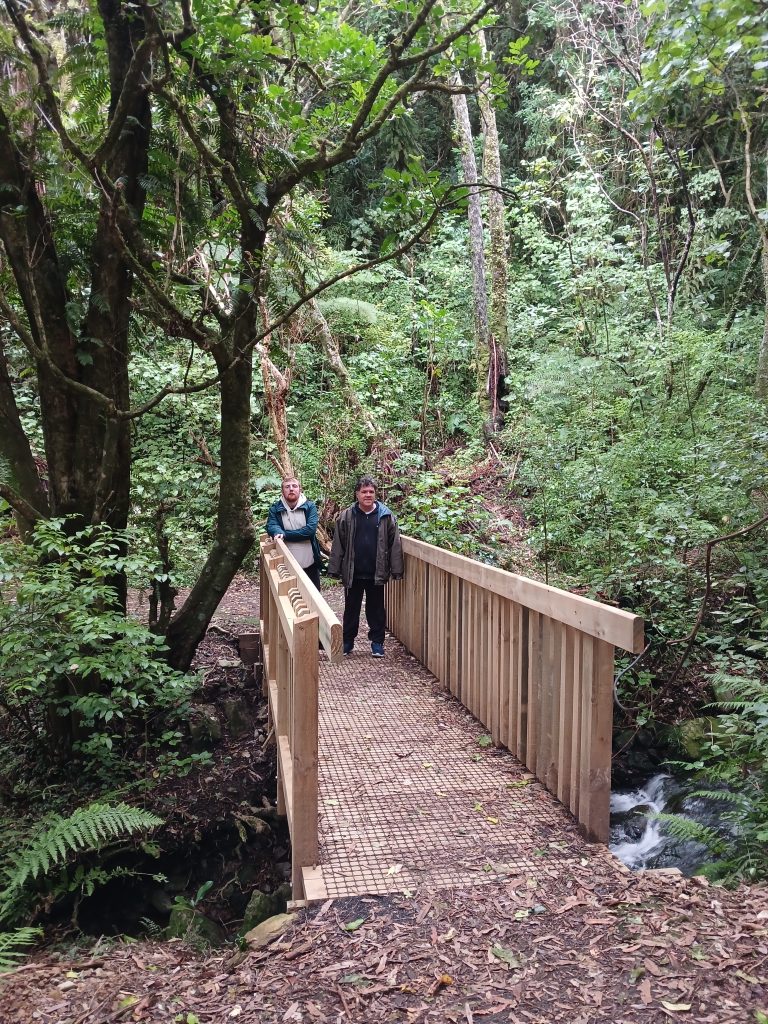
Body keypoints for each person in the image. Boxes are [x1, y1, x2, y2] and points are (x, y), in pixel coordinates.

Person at [327, 475, 404, 658]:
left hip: (376, 572)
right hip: (353, 572)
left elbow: (394, 544)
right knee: (351, 609)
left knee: (376, 609)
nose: (368, 495)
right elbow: (339, 544)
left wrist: (396, 570)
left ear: (375, 494)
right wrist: (334, 569)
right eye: (364, 492)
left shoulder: (385, 516)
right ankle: (347, 642)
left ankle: (377, 643)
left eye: (371, 491)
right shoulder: (347, 516)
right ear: (357, 494)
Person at [266, 476, 324, 590]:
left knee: (314, 595)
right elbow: (271, 525)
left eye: (294, 486)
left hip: (310, 564)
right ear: (282, 491)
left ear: (300, 489)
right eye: (287, 487)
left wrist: (285, 534)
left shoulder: (310, 506)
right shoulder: (275, 508)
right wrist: (277, 531)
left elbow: (310, 531)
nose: (291, 489)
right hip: (286, 565)